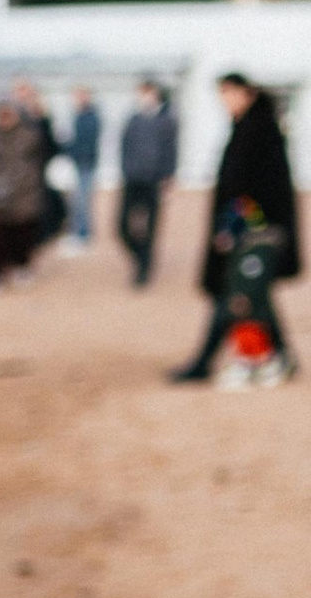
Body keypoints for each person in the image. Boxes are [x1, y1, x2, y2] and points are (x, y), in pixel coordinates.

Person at [171, 74, 301, 384]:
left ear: (245, 93)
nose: (224, 101)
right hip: (249, 233)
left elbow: (262, 190)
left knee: (238, 296)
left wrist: (235, 227)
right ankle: (280, 357)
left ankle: (231, 360)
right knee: (253, 296)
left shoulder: (261, 132)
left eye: (228, 94)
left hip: (255, 235)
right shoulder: (244, 128)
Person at [0, 83, 59, 283]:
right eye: (2, 115)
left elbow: (49, 150)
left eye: (9, 115)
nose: (5, 119)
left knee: (23, 233)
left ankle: (22, 267)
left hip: (26, 192)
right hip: (2, 192)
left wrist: (42, 115)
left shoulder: (31, 135)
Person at [116, 80, 178, 287]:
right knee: (122, 226)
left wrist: (168, 177)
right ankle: (140, 255)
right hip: (133, 179)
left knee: (151, 228)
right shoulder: (133, 119)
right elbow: (123, 147)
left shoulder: (167, 121)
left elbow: (171, 151)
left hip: (154, 180)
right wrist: (125, 170)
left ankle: (144, 269)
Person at [67, 88, 102, 242]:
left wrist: (72, 150)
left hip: (86, 162)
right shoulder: (79, 116)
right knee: (79, 199)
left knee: (81, 200)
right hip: (80, 162)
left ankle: (82, 234)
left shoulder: (90, 117)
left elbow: (85, 142)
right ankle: (80, 231)